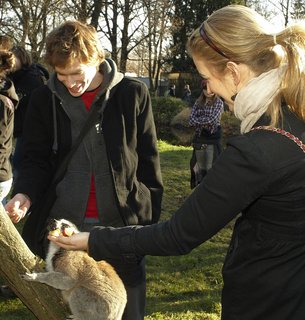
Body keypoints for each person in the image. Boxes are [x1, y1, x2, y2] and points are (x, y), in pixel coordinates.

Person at [43, 5, 305, 320]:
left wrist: (91, 239)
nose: (208, 88)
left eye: (207, 77)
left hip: (268, 302)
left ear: (233, 73)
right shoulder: (293, 119)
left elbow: (178, 234)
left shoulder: (257, 150)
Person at [5, 20, 163, 320]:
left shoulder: (132, 94)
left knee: (127, 312)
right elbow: (34, 158)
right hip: (66, 230)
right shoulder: (44, 99)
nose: (69, 82)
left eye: (77, 73)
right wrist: (24, 194)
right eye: (61, 75)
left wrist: (147, 219)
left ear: (97, 60)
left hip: (120, 228)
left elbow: (148, 159)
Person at [9, 46, 49, 179]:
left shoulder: (32, 78)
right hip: (19, 127)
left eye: (14, 58)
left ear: (22, 58)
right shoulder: (15, 77)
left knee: (19, 165)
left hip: (30, 128)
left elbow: (18, 101)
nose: (11, 62)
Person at [189, 79, 224, 188]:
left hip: (212, 139)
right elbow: (190, 120)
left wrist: (198, 121)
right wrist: (204, 121)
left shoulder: (219, 102)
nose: (208, 91)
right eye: (205, 89)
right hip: (200, 138)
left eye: (211, 89)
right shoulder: (198, 102)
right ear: (202, 89)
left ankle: (210, 189)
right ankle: (200, 188)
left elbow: (213, 120)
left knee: (210, 166)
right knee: (198, 166)